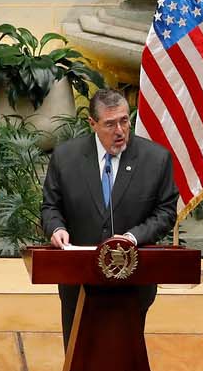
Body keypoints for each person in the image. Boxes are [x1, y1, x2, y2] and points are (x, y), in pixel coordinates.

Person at [38, 87, 178, 343]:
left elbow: (166, 212)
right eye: (110, 124)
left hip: (132, 282)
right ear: (92, 123)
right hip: (78, 283)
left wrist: (132, 238)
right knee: (78, 366)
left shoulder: (155, 159)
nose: (120, 131)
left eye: (124, 121)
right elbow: (50, 207)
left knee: (127, 366)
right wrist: (56, 228)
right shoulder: (66, 157)